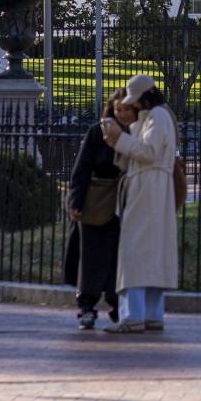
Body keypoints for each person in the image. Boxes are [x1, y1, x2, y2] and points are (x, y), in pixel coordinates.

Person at [102, 74, 179, 334]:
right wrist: (120, 138)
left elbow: (149, 152)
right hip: (149, 187)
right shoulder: (154, 117)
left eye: (134, 103)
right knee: (150, 252)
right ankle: (151, 313)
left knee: (134, 252)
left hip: (149, 187)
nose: (132, 108)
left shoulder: (158, 116)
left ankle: (134, 315)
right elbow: (137, 155)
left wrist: (120, 139)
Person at [65, 92, 130, 330]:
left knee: (118, 257)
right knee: (90, 256)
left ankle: (116, 302)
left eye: (126, 109)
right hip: (97, 200)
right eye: (118, 109)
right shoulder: (97, 132)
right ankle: (87, 306)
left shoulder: (136, 132)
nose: (122, 114)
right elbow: (82, 167)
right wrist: (76, 200)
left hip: (125, 202)